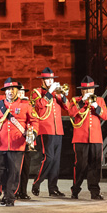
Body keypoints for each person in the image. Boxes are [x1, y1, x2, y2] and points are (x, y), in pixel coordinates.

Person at [0, 78, 38, 207]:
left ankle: (9, 196)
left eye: (13, 89)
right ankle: (7, 191)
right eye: (8, 89)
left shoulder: (26, 105)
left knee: (14, 172)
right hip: (0, 144)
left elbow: (35, 121)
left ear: (17, 91)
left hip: (17, 144)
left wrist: (33, 134)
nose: (10, 92)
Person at [30, 68, 69, 197]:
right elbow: (39, 106)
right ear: (43, 81)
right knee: (49, 158)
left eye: (52, 79)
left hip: (58, 129)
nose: (50, 81)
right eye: (47, 79)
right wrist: (50, 93)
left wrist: (62, 96)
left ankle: (53, 188)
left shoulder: (57, 93)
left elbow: (68, 108)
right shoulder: (37, 92)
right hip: (45, 129)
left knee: (56, 161)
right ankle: (37, 182)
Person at [68, 76, 107, 200]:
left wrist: (96, 106)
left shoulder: (100, 100)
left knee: (95, 165)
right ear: (82, 91)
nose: (88, 92)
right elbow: (71, 113)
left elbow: (106, 116)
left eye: (90, 90)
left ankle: (94, 192)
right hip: (80, 138)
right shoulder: (75, 100)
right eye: (86, 90)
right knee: (80, 165)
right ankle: (75, 189)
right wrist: (83, 102)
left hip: (95, 138)